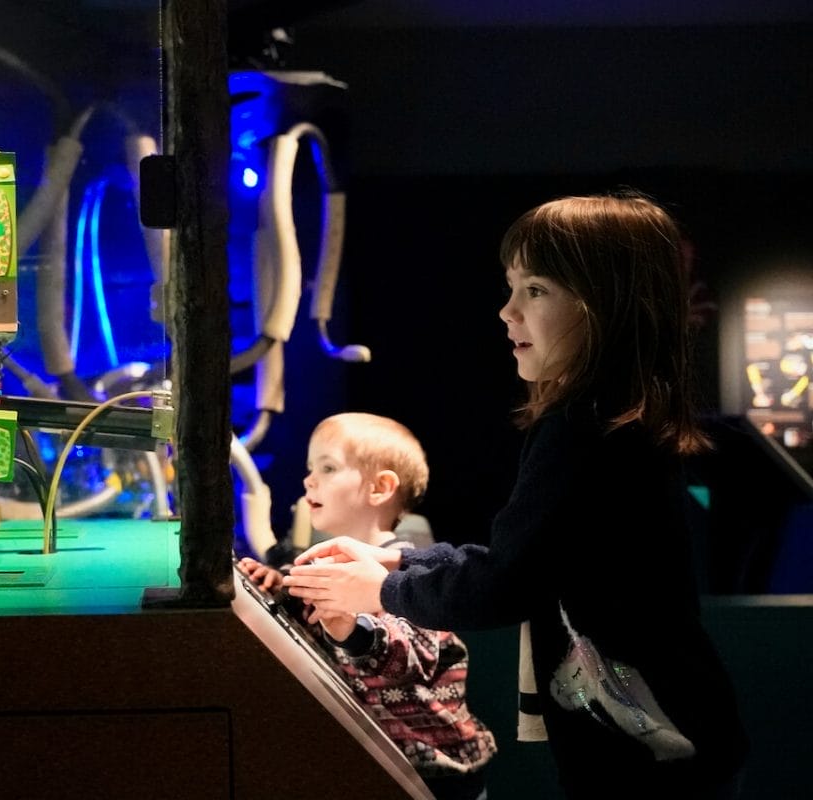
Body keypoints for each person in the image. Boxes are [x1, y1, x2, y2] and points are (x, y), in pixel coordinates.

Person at [282, 191, 749, 799]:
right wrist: (397, 559)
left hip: (656, 757)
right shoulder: (607, 423)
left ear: (607, 303)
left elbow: (507, 583)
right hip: (668, 744)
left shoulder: (585, 430)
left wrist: (380, 588)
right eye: (511, 287)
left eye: (535, 289)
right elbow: (531, 561)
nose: (507, 312)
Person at [239, 411, 496, 800]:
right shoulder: (321, 561)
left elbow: (411, 655)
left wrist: (348, 627)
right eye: (310, 468)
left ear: (380, 488)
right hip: (374, 762)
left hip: (435, 772)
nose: (309, 479)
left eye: (328, 467)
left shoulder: (413, 573)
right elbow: (309, 621)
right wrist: (276, 585)